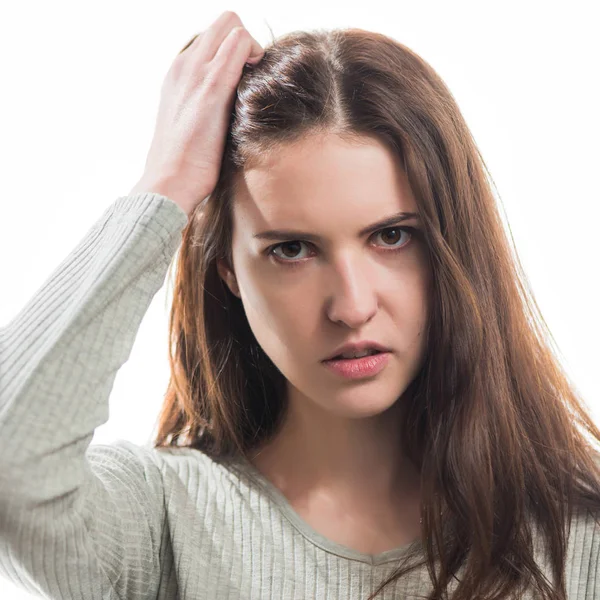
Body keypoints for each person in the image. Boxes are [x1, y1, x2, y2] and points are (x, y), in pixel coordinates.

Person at [1, 9, 599, 600]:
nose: (352, 306)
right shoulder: (164, 522)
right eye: (293, 249)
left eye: (391, 235)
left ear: (454, 242)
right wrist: (167, 184)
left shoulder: (579, 540)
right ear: (228, 270)